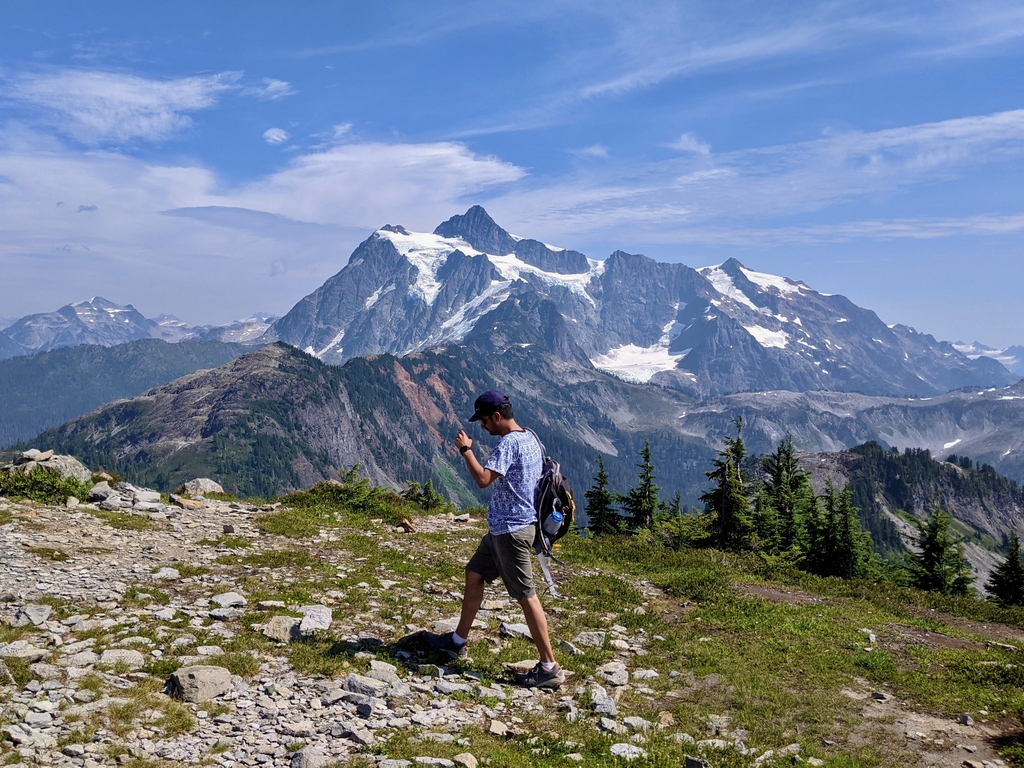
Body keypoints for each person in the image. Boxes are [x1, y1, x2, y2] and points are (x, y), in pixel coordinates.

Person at [423, 390, 565, 689]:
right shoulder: (530, 436)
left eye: (485, 420)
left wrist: (466, 450)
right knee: (474, 573)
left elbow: (483, 480)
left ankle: (549, 666)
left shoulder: (508, 443)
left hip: (511, 531)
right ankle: (457, 640)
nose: (482, 426)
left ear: (497, 416)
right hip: (506, 527)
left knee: (526, 595)